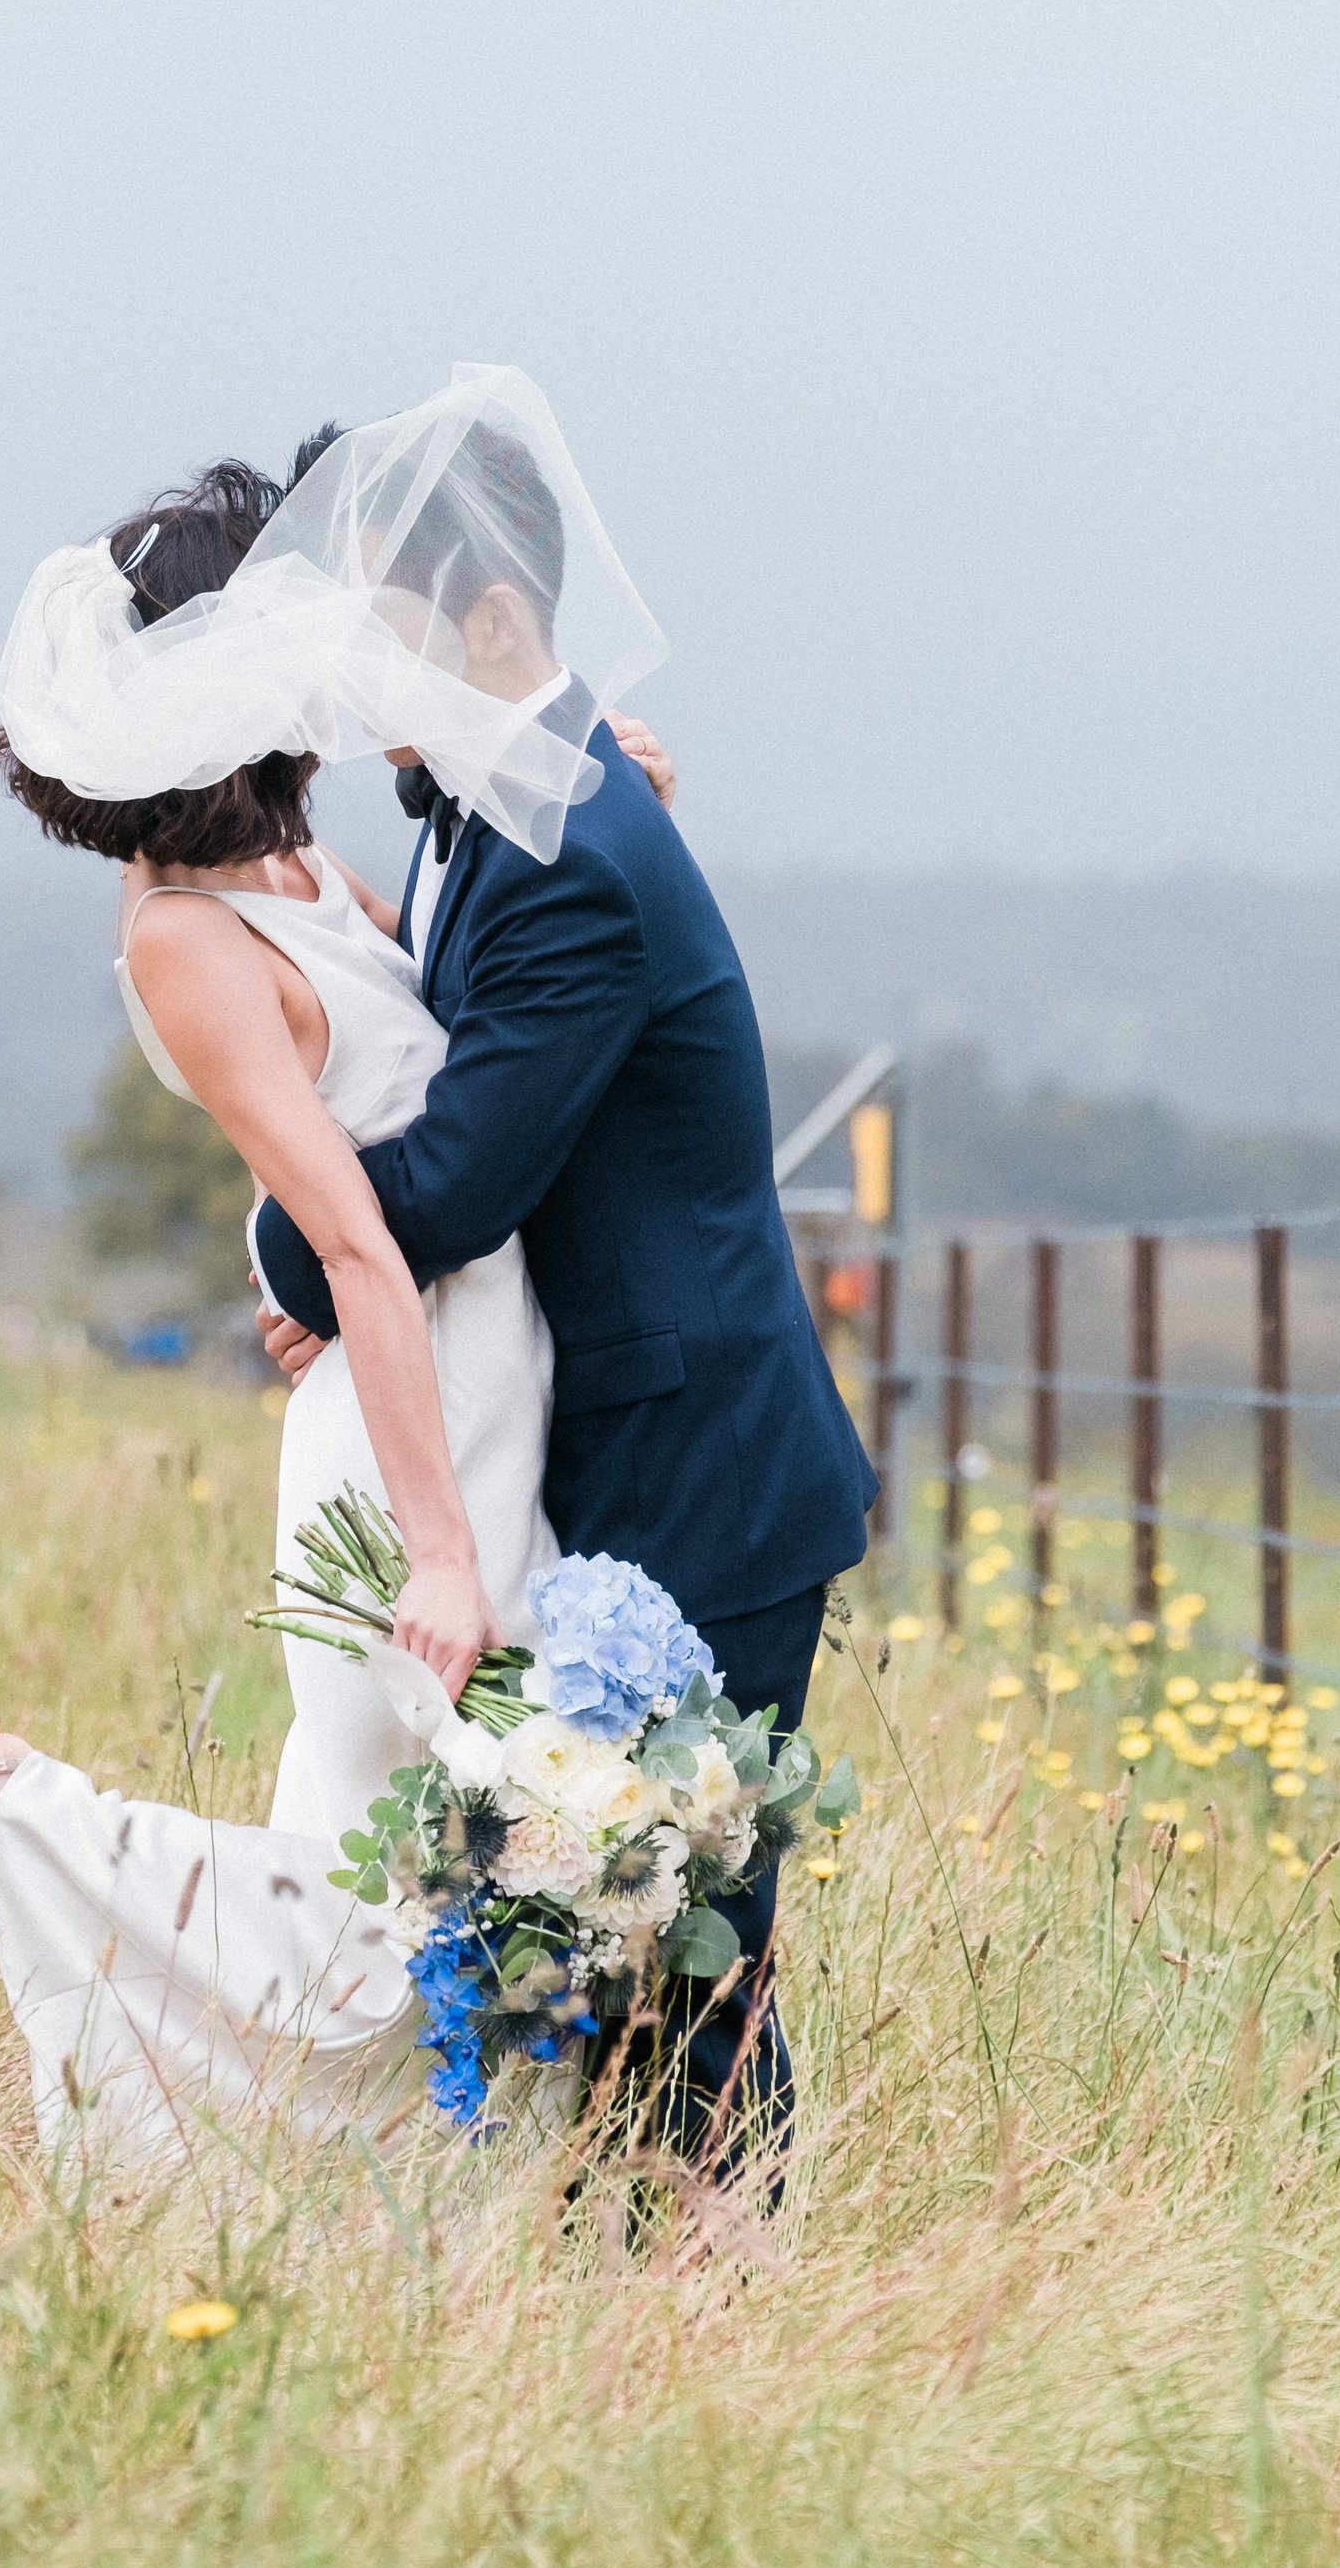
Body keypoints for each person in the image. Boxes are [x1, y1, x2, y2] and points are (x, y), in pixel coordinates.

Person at [0, 368, 829, 2173]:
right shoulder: (228, 910)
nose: (337, 661)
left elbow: (430, 1124)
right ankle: (11, 1817)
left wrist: (599, 768)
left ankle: (655, 2271)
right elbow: (394, 1195)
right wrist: (313, 1261)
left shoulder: (435, 834)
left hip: (571, 1416)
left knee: (593, 1893)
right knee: (465, 1883)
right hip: (429, 1423)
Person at [248, 401, 876, 2161]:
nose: (352, 676)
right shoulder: (511, 798)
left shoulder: (569, 851)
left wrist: (298, 1242)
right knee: (598, 1967)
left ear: (492, 624)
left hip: (704, 1485)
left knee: (680, 1980)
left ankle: (730, 2322)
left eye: (376, 625)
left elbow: (450, 1181)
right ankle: (648, 2316)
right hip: (616, 1468)